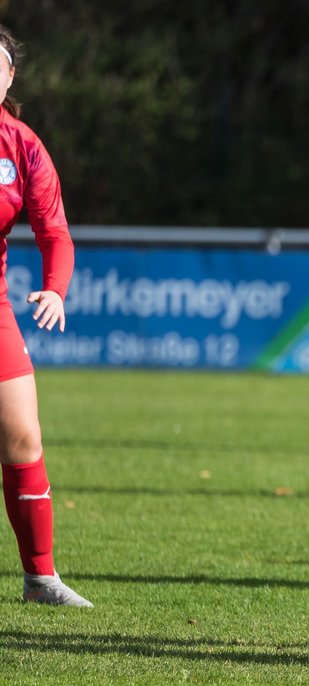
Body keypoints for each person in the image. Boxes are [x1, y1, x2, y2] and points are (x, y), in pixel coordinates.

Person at [0, 27, 91, 607]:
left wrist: (55, 289)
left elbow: (54, 231)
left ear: (9, 78)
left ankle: (41, 579)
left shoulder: (22, 145)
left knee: (22, 436)